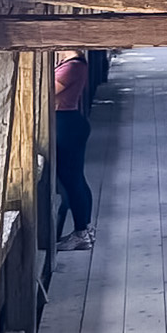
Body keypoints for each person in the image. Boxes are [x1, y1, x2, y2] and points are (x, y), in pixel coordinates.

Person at [54, 50, 95, 250]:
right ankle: (85, 228)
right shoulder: (72, 64)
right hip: (68, 122)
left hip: (66, 122)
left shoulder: (72, 67)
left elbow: (47, 91)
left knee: (72, 179)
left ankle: (81, 233)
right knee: (76, 178)